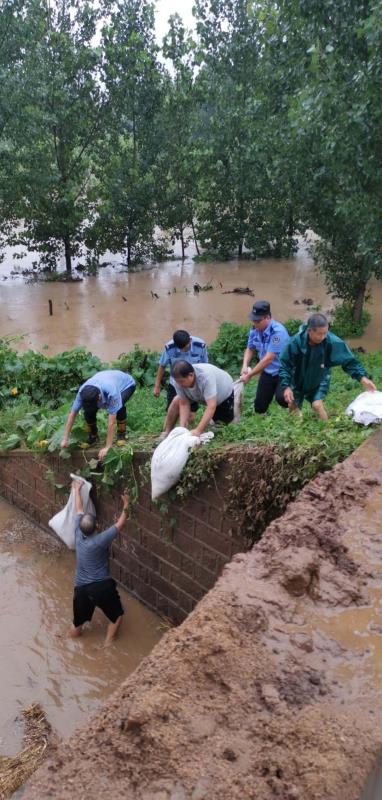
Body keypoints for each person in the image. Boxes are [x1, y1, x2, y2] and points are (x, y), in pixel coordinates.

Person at [277, 313, 377, 420]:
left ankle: (326, 429)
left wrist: (362, 378)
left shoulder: (331, 341)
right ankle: (296, 430)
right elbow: (284, 365)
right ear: (309, 331)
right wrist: (286, 387)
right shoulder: (295, 342)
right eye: (319, 334)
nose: (323, 337)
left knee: (317, 405)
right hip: (297, 379)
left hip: (319, 378)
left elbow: (348, 360)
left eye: (325, 333)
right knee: (292, 404)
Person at [70, 480, 129, 646]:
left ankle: (70, 643)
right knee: (117, 616)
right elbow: (121, 523)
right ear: (96, 526)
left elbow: (79, 509)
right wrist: (127, 504)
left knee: (77, 623)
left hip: (81, 589)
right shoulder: (101, 540)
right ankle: (108, 644)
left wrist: (76, 489)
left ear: (80, 527)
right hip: (101, 586)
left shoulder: (77, 533)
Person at [61, 370, 136, 460]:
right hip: (105, 378)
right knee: (88, 412)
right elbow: (72, 415)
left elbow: (111, 422)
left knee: (119, 408)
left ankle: (121, 434)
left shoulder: (112, 391)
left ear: (99, 397)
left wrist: (108, 447)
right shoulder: (82, 393)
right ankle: (93, 436)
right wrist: (65, 439)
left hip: (126, 385)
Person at [153, 330, 208, 437]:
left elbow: (205, 366)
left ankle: (186, 432)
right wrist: (157, 386)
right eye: (180, 348)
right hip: (176, 383)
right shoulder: (169, 348)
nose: (183, 350)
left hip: (193, 384)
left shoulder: (200, 346)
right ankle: (168, 432)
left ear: (190, 341)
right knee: (172, 410)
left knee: (191, 416)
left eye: (186, 347)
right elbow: (162, 366)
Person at [240, 300, 290, 413]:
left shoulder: (277, 333)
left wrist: (250, 375)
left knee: (283, 399)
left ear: (267, 317)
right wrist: (245, 365)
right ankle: (262, 424)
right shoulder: (255, 329)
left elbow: (268, 359)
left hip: (284, 371)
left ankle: (295, 410)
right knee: (259, 406)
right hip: (268, 371)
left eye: (257, 320)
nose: (254, 323)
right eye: (253, 319)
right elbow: (250, 348)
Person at [173, 361, 234, 437]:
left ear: (191, 375)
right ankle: (167, 432)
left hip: (224, 392)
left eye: (182, 382)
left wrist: (198, 430)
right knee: (175, 400)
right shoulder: (178, 381)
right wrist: (182, 428)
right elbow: (184, 403)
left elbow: (211, 406)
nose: (179, 385)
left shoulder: (205, 377)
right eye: (177, 382)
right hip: (200, 395)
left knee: (220, 427)